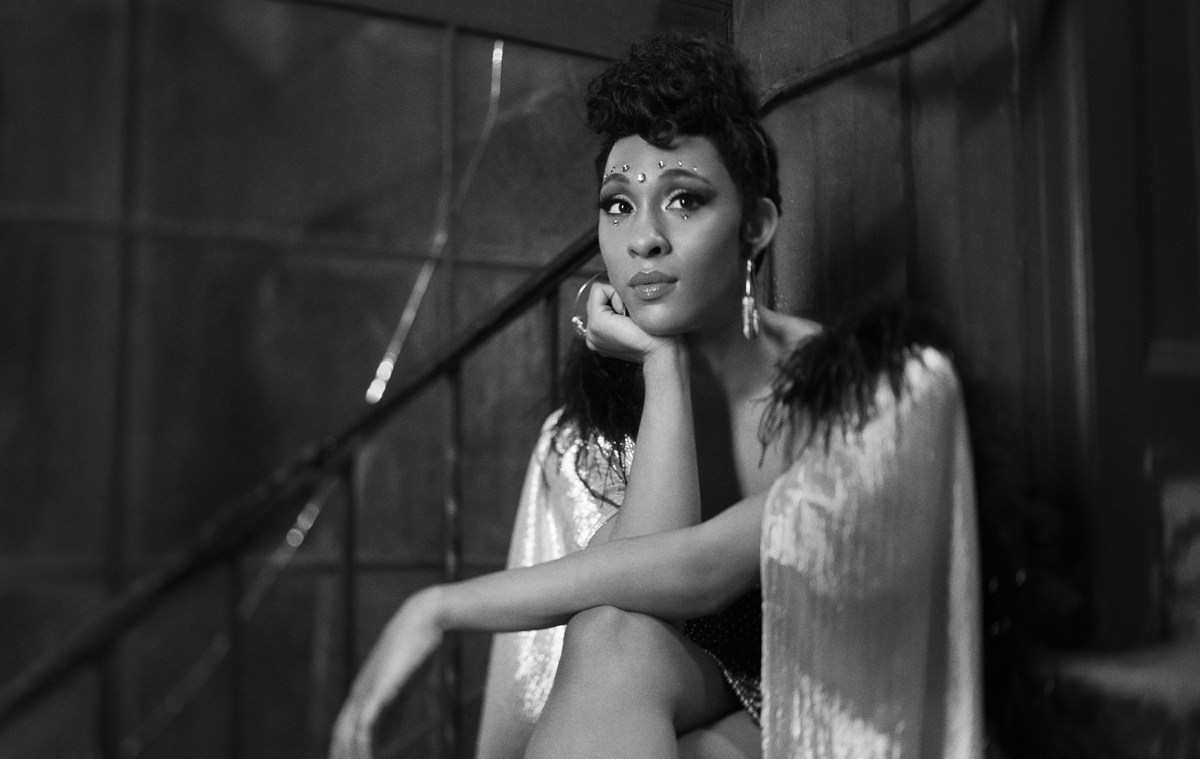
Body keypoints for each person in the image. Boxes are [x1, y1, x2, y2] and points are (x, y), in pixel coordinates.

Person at [330, 30, 985, 759]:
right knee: (610, 636)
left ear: (755, 226)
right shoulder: (606, 426)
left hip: (849, 698)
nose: (644, 238)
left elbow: (700, 572)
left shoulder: (872, 394)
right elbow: (640, 581)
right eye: (618, 205)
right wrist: (662, 364)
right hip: (724, 685)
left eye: (684, 200)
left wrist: (438, 609)